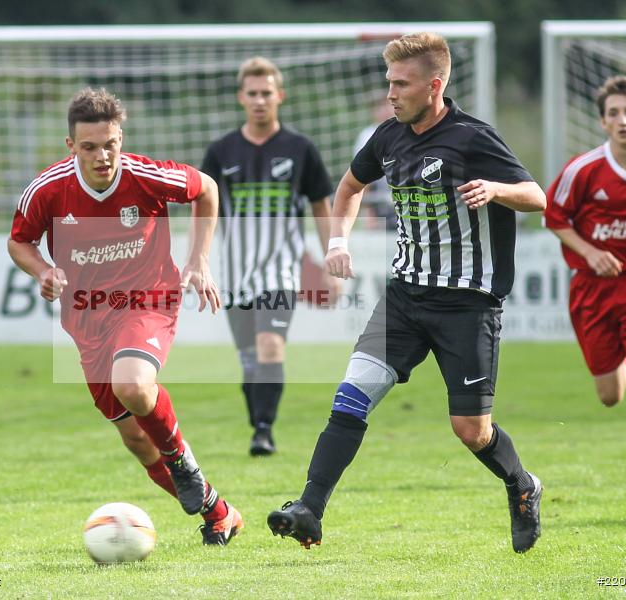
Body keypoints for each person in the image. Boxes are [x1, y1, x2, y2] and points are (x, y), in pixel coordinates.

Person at [266, 32, 547, 553]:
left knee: (470, 430)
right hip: (404, 298)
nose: (391, 92)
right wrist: (337, 241)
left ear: (434, 86)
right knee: (351, 397)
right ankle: (309, 508)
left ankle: (522, 484)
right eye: (388, 82)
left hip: (468, 305)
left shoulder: (472, 138)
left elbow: (536, 196)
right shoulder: (387, 137)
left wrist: (496, 189)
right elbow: (348, 187)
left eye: (401, 83)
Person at [8, 87, 243, 544]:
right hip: (88, 319)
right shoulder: (49, 188)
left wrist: (199, 259)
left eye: (110, 144)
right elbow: (19, 241)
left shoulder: (147, 176)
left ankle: (181, 460)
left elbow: (207, 189)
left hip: (147, 299)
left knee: (133, 385)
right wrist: (43, 269)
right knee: (136, 440)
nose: (102, 156)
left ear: (121, 139)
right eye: (90, 147)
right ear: (71, 146)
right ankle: (219, 512)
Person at [201, 56, 335, 456]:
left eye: (267, 93)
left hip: (282, 270)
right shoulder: (221, 152)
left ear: (280, 96)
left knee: (270, 345)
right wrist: (200, 260)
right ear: (242, 98)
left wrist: (332, 262)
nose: (260, 100)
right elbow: (204, 210)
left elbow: (321, 206)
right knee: (249, 358)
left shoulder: (300, 149)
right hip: (236, 270)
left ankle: (264, 431)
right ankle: (258, 422)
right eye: (253, 94)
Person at [544, 76, 626, 486]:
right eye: (614, 113)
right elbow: (554, 216)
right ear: (602, 122)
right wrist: (591, 252)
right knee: (610, 395)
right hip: (592, 290)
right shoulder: (583, 170)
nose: (623, 120)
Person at [353, 96, 397, 230]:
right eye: (380, 107)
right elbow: (362, 179)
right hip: (381, 204)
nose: (385, 110)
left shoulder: (407, 130)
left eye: (388, 106)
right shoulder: (367, 136)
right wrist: (369, 213)